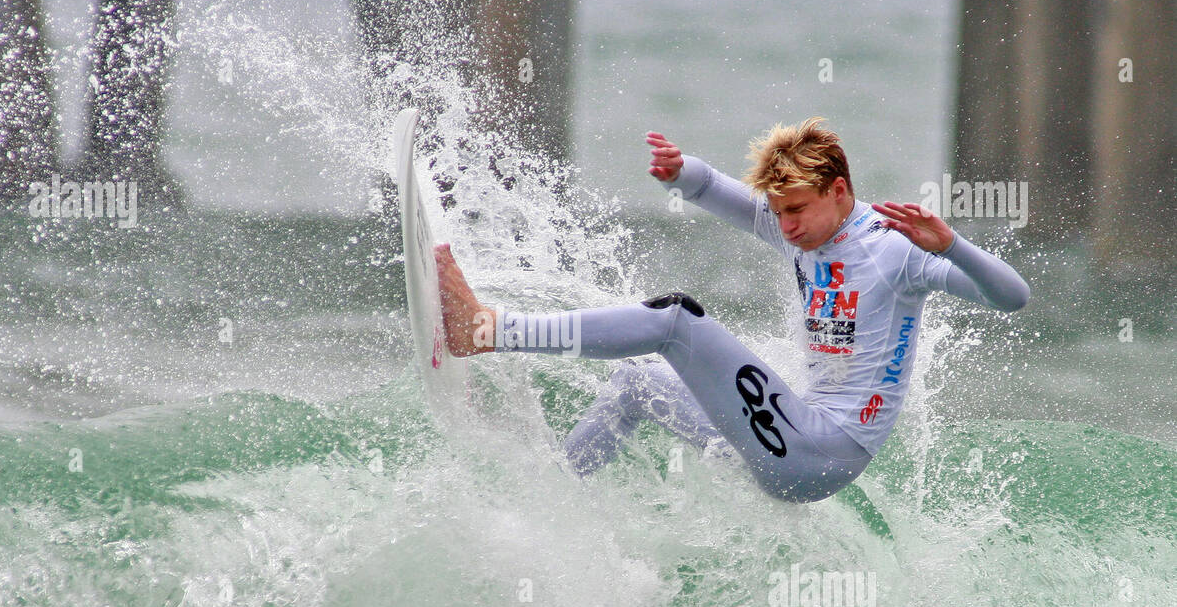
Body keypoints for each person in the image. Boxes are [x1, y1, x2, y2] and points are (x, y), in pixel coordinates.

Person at [435, 117, 1030, 503]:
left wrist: (952, 245)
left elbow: (1012, 297)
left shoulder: (896, 252)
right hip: (791, 435)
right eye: (778, 212)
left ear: (840, 192)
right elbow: (725, 196)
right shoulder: (800, 231)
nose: (785, 225)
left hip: (822, 450)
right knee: (636, 384)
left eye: (796, 208)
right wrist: (681, 172)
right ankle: (551, 499)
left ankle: (486, 329)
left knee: (674, 321)